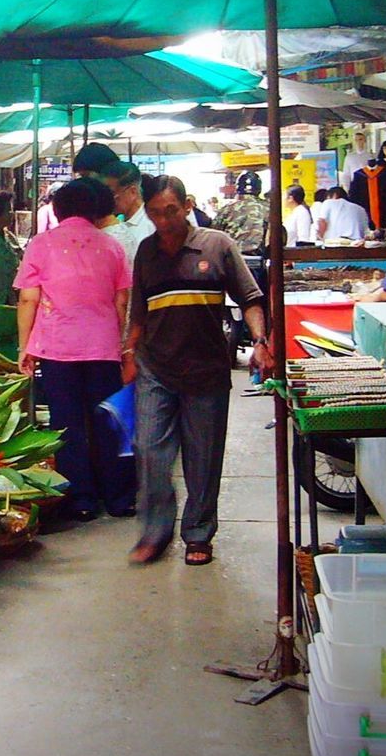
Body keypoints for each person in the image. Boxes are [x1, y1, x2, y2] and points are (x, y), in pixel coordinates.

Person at [125, 175, 272, 567]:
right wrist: (127, 351)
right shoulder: (146, 251)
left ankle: (198, 533)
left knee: (203, 458)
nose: (163, 220)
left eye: (170, 211)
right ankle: (155, 533)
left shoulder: (217, 245)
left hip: (206, 369)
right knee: (150, 451)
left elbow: (251, 298)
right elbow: (138, 310)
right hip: (155, 366)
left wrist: (259, 342)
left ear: (187, 205)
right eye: (154, 213)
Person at [15, 177, 134, 520]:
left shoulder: (42, 244)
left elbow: (28, 298)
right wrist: (123, 346)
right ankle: (119, 498)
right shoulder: (112, 247)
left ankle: (81, 499)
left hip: (57, 349)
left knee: (66, 423)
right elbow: (121, 301)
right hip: (103, 347)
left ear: (57, 210)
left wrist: (26, 346)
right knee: (107, 421)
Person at [211, 174, 270, 254]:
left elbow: (214, 233)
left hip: (232, 256)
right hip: (259, 257)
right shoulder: (269, 208)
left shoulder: (228, 208)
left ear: (238, 188)